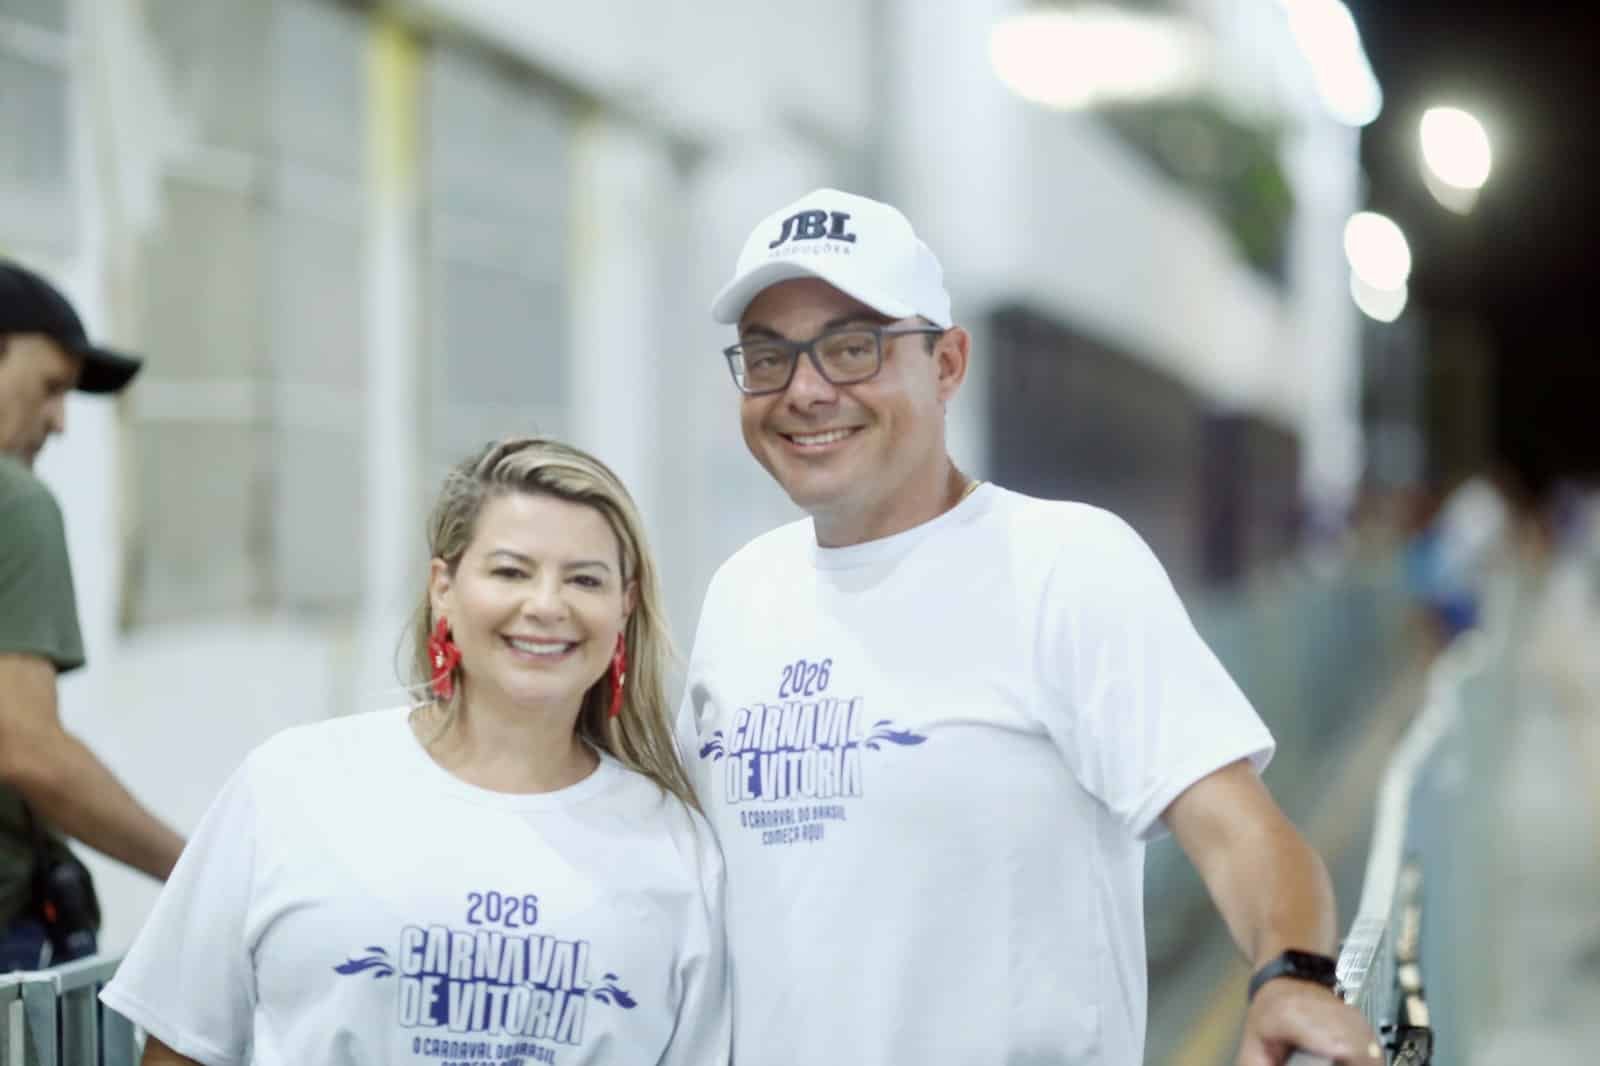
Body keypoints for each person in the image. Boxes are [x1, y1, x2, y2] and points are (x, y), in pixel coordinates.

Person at [676, 189, 1381, 1065]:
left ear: (947, 364)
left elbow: (1241, 833)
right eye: (767, 356)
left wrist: (1293, 976)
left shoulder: (1064, 566)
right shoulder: (741, 595)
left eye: (853, 348)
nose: (806, 390)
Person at [102, 437, 729, 1066]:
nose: (545, 605)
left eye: (584, 579)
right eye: (511, 571)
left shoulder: (676, 848)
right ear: (443, 588)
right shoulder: (290, 786)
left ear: (624, 605)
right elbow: (181, 1048)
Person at [0, 259, 184, 970]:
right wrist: (200, 870)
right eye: (50, 388)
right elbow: (26, 748)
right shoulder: (16, 502)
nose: (59, 422)